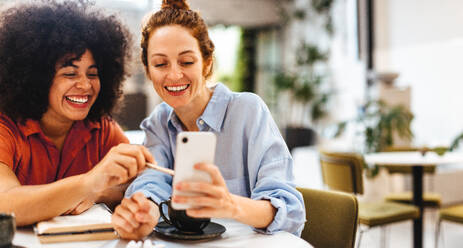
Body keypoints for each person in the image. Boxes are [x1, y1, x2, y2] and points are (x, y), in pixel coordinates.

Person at [112, 0, 305, 240]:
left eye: (187, 61)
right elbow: (152, 184)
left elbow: (290, 211)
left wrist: (231, 205)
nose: (173, 75)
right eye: (160, 64)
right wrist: (143, 214)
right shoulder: (158, 123)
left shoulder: (248, 111)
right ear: (149, 71)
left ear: (207, 63)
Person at [0, 0, 154, 226]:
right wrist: (88, 184)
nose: (85, 85)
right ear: (38, 78)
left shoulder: (100, 128)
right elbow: (5, 206)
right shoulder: (6, 128)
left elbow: (136, 182)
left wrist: (100, 192)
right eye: (70, 74)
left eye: (93, 74)